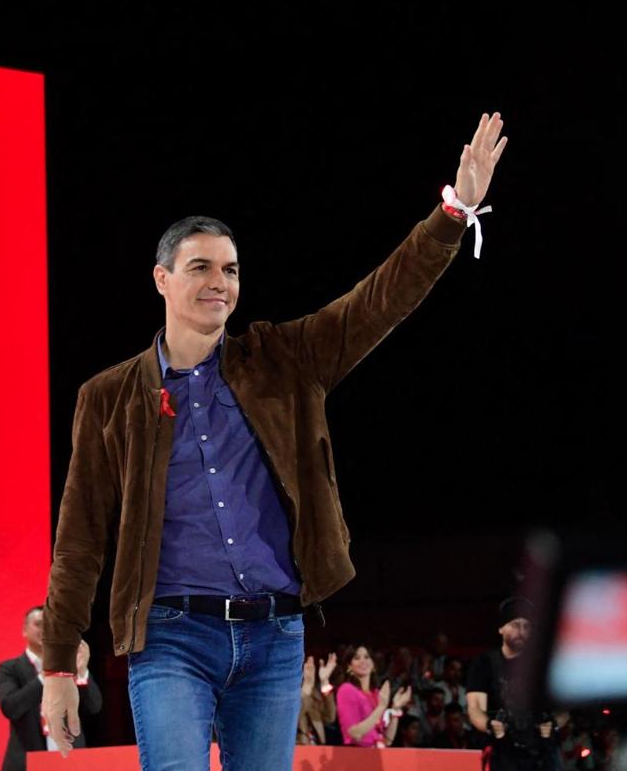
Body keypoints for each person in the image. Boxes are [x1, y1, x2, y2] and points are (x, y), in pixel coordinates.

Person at [42, 114, 509, 770]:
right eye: (200, 267)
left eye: (230, 270)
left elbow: (378, 300)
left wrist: (453, 212)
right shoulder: (108, 397)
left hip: (276, 634)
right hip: (172, 636)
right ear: (162, 280)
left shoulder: (285, 361)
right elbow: (81, 537)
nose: (219, 283)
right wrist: (60, 665)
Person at [0, 606, 102, 771]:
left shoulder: (70, 666)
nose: (45, 629)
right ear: (24, 630)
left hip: (71, 760)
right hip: (26, 761)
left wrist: (81, 672)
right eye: (39, 624)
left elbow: (94, 706)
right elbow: (10, 707)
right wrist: (46, 675)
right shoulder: (10, 668)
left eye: (50, 624)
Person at [467, 597, 555, 771]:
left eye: (526, 626)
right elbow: (475, 707)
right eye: (515, 625)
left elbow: (561, 708)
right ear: (501, 628)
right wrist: (489, 725)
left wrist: (553, 723)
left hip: (538, 750)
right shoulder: (485, 662)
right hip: (501, 749)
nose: (521, 631)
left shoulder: (541, 665)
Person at [336, 644, 412, 747]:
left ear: (373, 664)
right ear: (349, 666)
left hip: (377, 756)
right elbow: (354, 733)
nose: (363, 661)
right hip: (357, 756)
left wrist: (395, 709)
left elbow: (387, 740)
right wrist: (380, 708)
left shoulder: (376, 694)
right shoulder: (347, 690)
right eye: (357, 658)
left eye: (367, 657)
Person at [297, 653, 338, 745]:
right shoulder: (285, 696)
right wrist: (307, 685)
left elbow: (330, 717)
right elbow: (296, 714)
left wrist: (325, 682)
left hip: (316, 752)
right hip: (297, 752)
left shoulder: (313, 694)